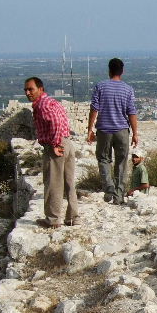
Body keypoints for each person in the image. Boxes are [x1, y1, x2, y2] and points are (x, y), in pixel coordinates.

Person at [24, 76, 78, 228]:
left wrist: (55, 143)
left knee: (53, 183)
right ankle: (73, 217)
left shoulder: (42, 104)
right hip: (67, 143)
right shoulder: (52, 101)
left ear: (40, 89)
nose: (28, 93)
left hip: (56, 145)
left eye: (31, 89)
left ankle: (53, 219)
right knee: (69, 182)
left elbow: (55, 121)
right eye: (26, 90)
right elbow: (63, 120)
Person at [87, 57, 138, 204]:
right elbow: (131, 112)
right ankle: (119, 196)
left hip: (104, 129)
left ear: (109, 70)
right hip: (122, 130)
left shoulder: (100, 86)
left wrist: (90, 129)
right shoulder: (127, 89)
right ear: (122, 72)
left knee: (104, 159)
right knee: (121, 162)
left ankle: (109, 187)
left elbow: (94, 108)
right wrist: (135, 133)